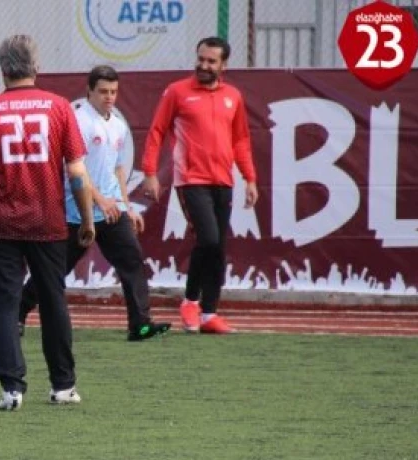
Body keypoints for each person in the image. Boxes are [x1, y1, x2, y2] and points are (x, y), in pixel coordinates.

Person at [0, 34, 96, 410]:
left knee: (4, 304)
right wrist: (86, 218)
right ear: (36, 67)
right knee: (53, 300)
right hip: (47, 220)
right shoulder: (58, 108)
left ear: (2, 69)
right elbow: (76, 171)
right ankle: (63, 386)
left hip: (1, 221)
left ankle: (12, 388)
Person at [18, 66, 172, 342]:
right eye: (103, 91)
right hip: (79, 212)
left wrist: (127, 206)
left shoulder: (118, 125)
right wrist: (99, 199)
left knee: (132, 260)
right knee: (53, 271)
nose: (109, 97)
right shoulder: (79, 121)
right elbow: (74, 168)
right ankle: (18, 313)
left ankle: (140, 324)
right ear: (89, 91)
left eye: (113, 92)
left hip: (113, 211)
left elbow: (117, 170)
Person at [141, 36, 257, 335]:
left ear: (223, 65)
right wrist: (150, 172)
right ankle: (190, 301)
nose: (204, 65)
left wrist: (250, 178)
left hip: (223, 180)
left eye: (211, 61)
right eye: (201, 59)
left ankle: (209, 314)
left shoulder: (234, 96)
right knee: (207, 239)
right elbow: (156, 131)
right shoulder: (177, 92)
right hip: (191, 180)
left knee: (218, 247)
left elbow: (241, 139)